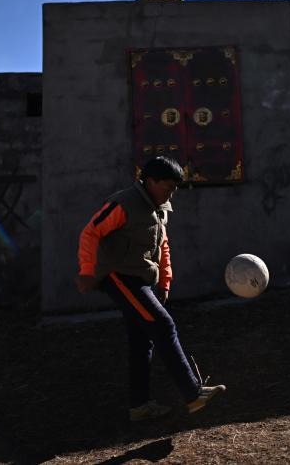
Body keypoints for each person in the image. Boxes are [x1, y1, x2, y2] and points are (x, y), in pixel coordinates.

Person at [75, 155, 226, 422]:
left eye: (175, 188)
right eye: (168, 187)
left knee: (141, 340)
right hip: (119, 276)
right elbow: (90, 231)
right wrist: (87, 271)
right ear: (150, 181)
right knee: (164, 326)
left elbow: (162, 245)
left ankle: (139, 406)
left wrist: (165, 282)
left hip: (139, 278)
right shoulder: (123, 204)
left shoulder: (160, 206)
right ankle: (193, 394)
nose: (171, 193)